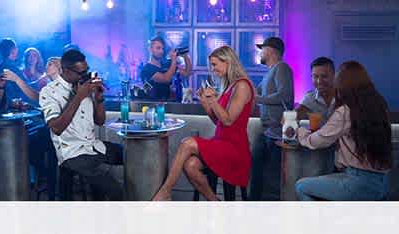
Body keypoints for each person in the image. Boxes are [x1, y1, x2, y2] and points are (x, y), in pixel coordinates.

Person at [152, 46, 254, 201]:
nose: (213, 70)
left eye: (215, 65)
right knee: (190, 165)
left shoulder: (242, 85)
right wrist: (206, 103)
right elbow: (219, 121)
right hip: (221, 143)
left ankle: (165, 191)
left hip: (235, 149)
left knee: (187, 143)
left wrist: (213, 99)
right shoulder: (230, 86)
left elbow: (228, 120)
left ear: (227, 62)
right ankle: (214, 201)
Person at [295, 61, 392, 201]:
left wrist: (299, 131)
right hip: (382, 182)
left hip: (357, 181)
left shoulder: (346, 111)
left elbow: (315, 141)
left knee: (301, 186)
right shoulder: (379, 106)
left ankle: (316, 223)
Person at [39, 49, 124, 200]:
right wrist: (79, 96)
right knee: (115, 189)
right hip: (72, 153)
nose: (84, 76)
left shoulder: (83, 85)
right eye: (80, 72)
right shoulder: (49, 91)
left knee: (133, 156)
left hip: (93, 145)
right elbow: (56, 128)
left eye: (86, 71)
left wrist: (98, 99)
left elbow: (99, 121)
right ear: (65, 71)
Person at [250, 37, 294, 200]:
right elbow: (255, 93)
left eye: (262, 49)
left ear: (270, 50)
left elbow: (285, 95)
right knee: (258, 172)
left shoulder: (282, 68)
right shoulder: (270, 72)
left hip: (277, 133)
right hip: (267, 131)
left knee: (272, 179)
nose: (260, 52)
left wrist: (258, 99)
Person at [140, 36, 191, 101]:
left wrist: (185, 56)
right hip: (153, 105)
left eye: (162, 48)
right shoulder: (147, 69)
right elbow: (166, 78)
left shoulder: (166, 64)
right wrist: (173, 60)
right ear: (150, 49)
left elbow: (187, 73)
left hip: (169, 102)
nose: (161, 51)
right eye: (158, 48)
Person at [0, 38, 39, 104]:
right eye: (16, 47)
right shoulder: (11, 67)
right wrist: (39, 81)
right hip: (13, 106)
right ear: (13, 49)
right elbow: (24, 87)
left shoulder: (1, 66)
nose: (17, 50)